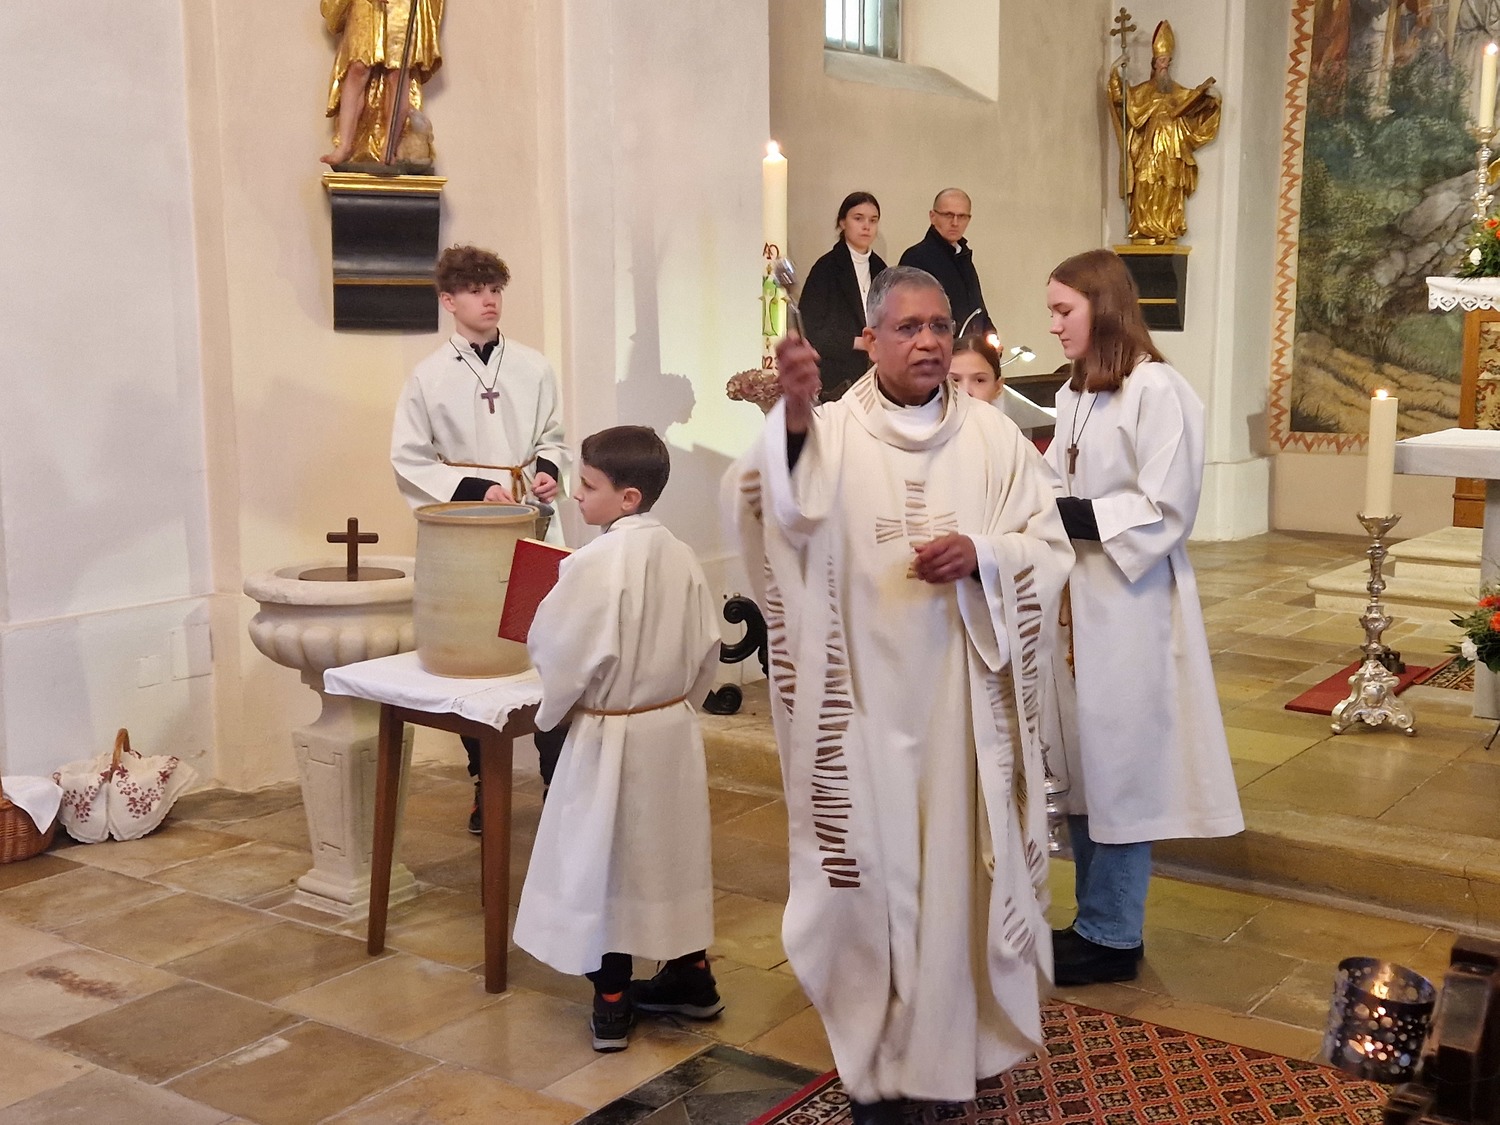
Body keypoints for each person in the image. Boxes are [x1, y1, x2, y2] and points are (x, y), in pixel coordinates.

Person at [727, 266, 1073, 1123]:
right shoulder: (832, 432)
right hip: (862, 712)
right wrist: (792, 422)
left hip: (965, 713)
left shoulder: (993, 439)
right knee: (873, 884)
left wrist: (985, 557)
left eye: (940, 326)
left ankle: (950, 1046)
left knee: (957, 878)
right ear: (870, 339)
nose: (927, 341)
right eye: (908, 327)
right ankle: (881, 1059)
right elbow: (775, 514)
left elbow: (1048, 546)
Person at [1043, 248, 1242, 986]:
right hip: (1077, 601)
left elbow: (1167, 505)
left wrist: (1071, 513)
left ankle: (1114, 933)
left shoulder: (1158, 389)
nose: (1054, 324)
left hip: (1131, 602)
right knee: (1086, 763)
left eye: (1064, 309)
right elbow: (1050, 480)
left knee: (1121, 764)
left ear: (1103, 306)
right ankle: (1093, 918)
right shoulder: (1074, 393)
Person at [513, 426, 724, 1053]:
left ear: (627, 498)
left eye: (587, 484)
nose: (577, 495)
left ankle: (611, 999)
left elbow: (559, 649)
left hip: (611, 734)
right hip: (669, 729)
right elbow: (707, 647)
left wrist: (557, 710)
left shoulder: (593, 564)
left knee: (602, 858)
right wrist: (676, 706)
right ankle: (693, 977)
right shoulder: (682, 554)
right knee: (668, 856)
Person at [390, 244, 569, 831]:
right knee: (476, 656)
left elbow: (555, 436)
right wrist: (472, 487)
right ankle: (483, 782)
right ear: (449, 301)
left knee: (548, 646)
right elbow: (408, 458)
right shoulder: (428, 377)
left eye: (494, 289)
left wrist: (549, 470)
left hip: (534, 519)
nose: (488, 300)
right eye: (474, 291)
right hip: (467, 531)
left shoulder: (534, 366)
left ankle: (557, 779)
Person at [1107, 20, 1221, 244]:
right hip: (1149, 146)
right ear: (1154, 63)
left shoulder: (1177, 91)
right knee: (1145, 182)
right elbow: (1121, 99)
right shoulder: (1143, 91)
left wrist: (1214, 98)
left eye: (1167, 61)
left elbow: (1197, 104)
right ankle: (1143, 227)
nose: (1164, 66)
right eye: (1161, 61)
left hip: (1171, 147)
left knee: (1169, 184)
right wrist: (1114, 71)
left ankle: (1166, 227)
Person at [320, 0, 445, 167]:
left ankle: (389, 148)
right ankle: (344, 146)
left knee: (398, 72)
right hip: (367, 4)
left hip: (401, 6)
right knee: (358, 67)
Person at [799, 192, 887, 402]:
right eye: (858, 218)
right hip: (837, 376)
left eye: (873, 220)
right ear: (842, 222)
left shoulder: (881, 268)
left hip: (877, 373)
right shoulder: (826, 268)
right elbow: (810, 328)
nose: (866, 226)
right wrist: (858, 342)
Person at [898, 189, 988, 335]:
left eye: (962, 216)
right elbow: (910, 317)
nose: (955, 223)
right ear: (932, 216)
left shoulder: (963, 258)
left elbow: (978, 309)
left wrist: (989, 334)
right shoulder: (915, 258)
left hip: (969, 346)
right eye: (948, 215)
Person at [951, 335, 1057, 442]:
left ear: (998, 387)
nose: (966, 391)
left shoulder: (1014, 441)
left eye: (979, 380)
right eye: (954, 380)